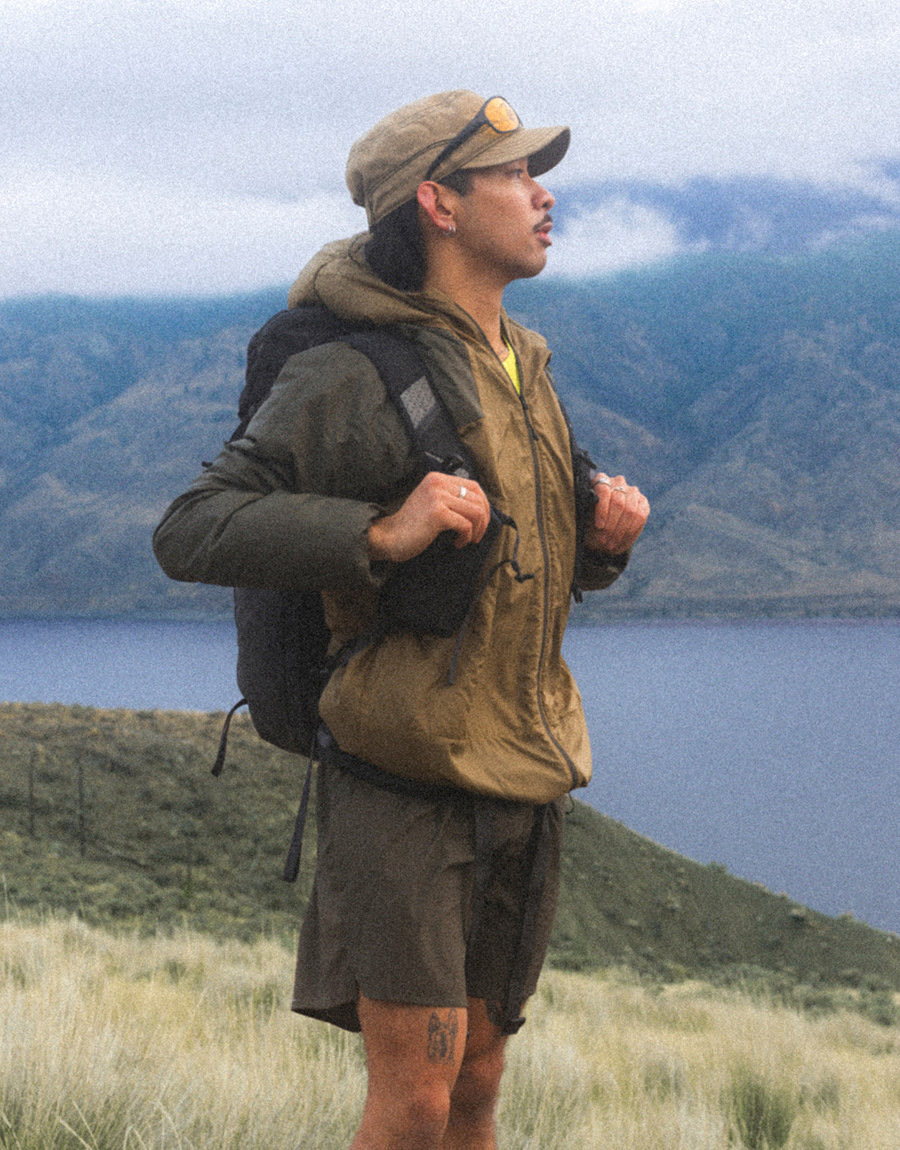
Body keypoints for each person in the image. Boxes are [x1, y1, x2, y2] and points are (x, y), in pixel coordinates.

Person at [153, 89, 649, 1150]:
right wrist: (378, 534)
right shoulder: (354, 371)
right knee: (415, 1099)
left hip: (523, 770)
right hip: (406, 781)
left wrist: (603, 546)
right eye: (513, 173)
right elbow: (192, 528)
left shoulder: (524, 363)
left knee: (475, 1083)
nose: (541, 192)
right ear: (437, 201)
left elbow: (521, 573)